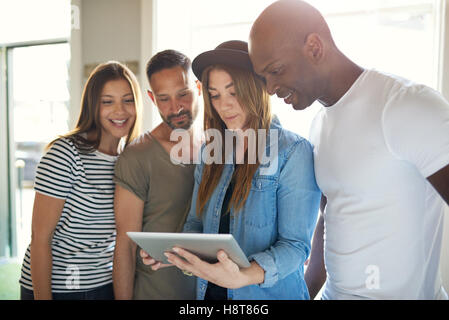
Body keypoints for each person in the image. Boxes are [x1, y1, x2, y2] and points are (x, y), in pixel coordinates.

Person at [248, 0, 449, 299]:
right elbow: (331, 215)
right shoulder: (318, 125)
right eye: (264, 77)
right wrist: (306, 291)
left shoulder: (406, 105)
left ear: (315, 47)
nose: (270, 88)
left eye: (276, 70)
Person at [141, 40, 321, 300]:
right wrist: (175, 253)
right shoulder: (210, 151)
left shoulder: (292, 151)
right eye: (214, 95)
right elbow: (196, 223)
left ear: (255, 86)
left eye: (233, 92)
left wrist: (242, 277)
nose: (223, 105)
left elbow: (295, 247)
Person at [19, 61, 142, 300]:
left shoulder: (130, 158)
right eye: (108, 101)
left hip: (105, 285)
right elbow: (40, 238)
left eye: (128, 100)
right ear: (93, 106)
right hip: (59, 289)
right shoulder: (65, 154)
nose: (120, 111)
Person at [113, 50, 201, 299]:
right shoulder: (137, 156)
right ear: (152, 99)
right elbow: (125, 246)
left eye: (183, 94)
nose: (176, 107)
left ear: (199, 88)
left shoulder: (215, 150)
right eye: (164, 99)